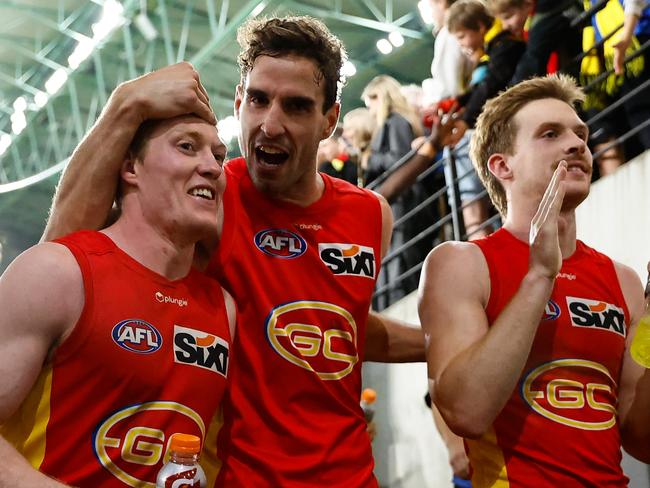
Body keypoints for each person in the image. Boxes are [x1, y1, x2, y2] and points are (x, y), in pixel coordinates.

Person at [42, 16, 424, 488]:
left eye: (297, 106)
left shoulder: (372, 215)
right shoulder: (209, 198)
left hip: (354, 476)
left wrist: (443, 342)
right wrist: (126, 105)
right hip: (242, 477)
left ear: (329, 121)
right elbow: (63, 254)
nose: (271, 123)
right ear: (239, 101)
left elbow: (338, 325)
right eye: (259, 100)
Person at [419, 74, 650, 486]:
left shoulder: (624, 280)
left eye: (581, 133)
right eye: (550, 134)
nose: (578, 143)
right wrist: (540, 276)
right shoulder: (462, 263)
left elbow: (642, 439)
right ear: (502, 165)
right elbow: (466, 412)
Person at [0, 114, 236, 487]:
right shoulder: (58, 272)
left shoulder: (223, 307)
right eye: (187, 147)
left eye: (218, 156)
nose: (211, 166)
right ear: (130, 168)